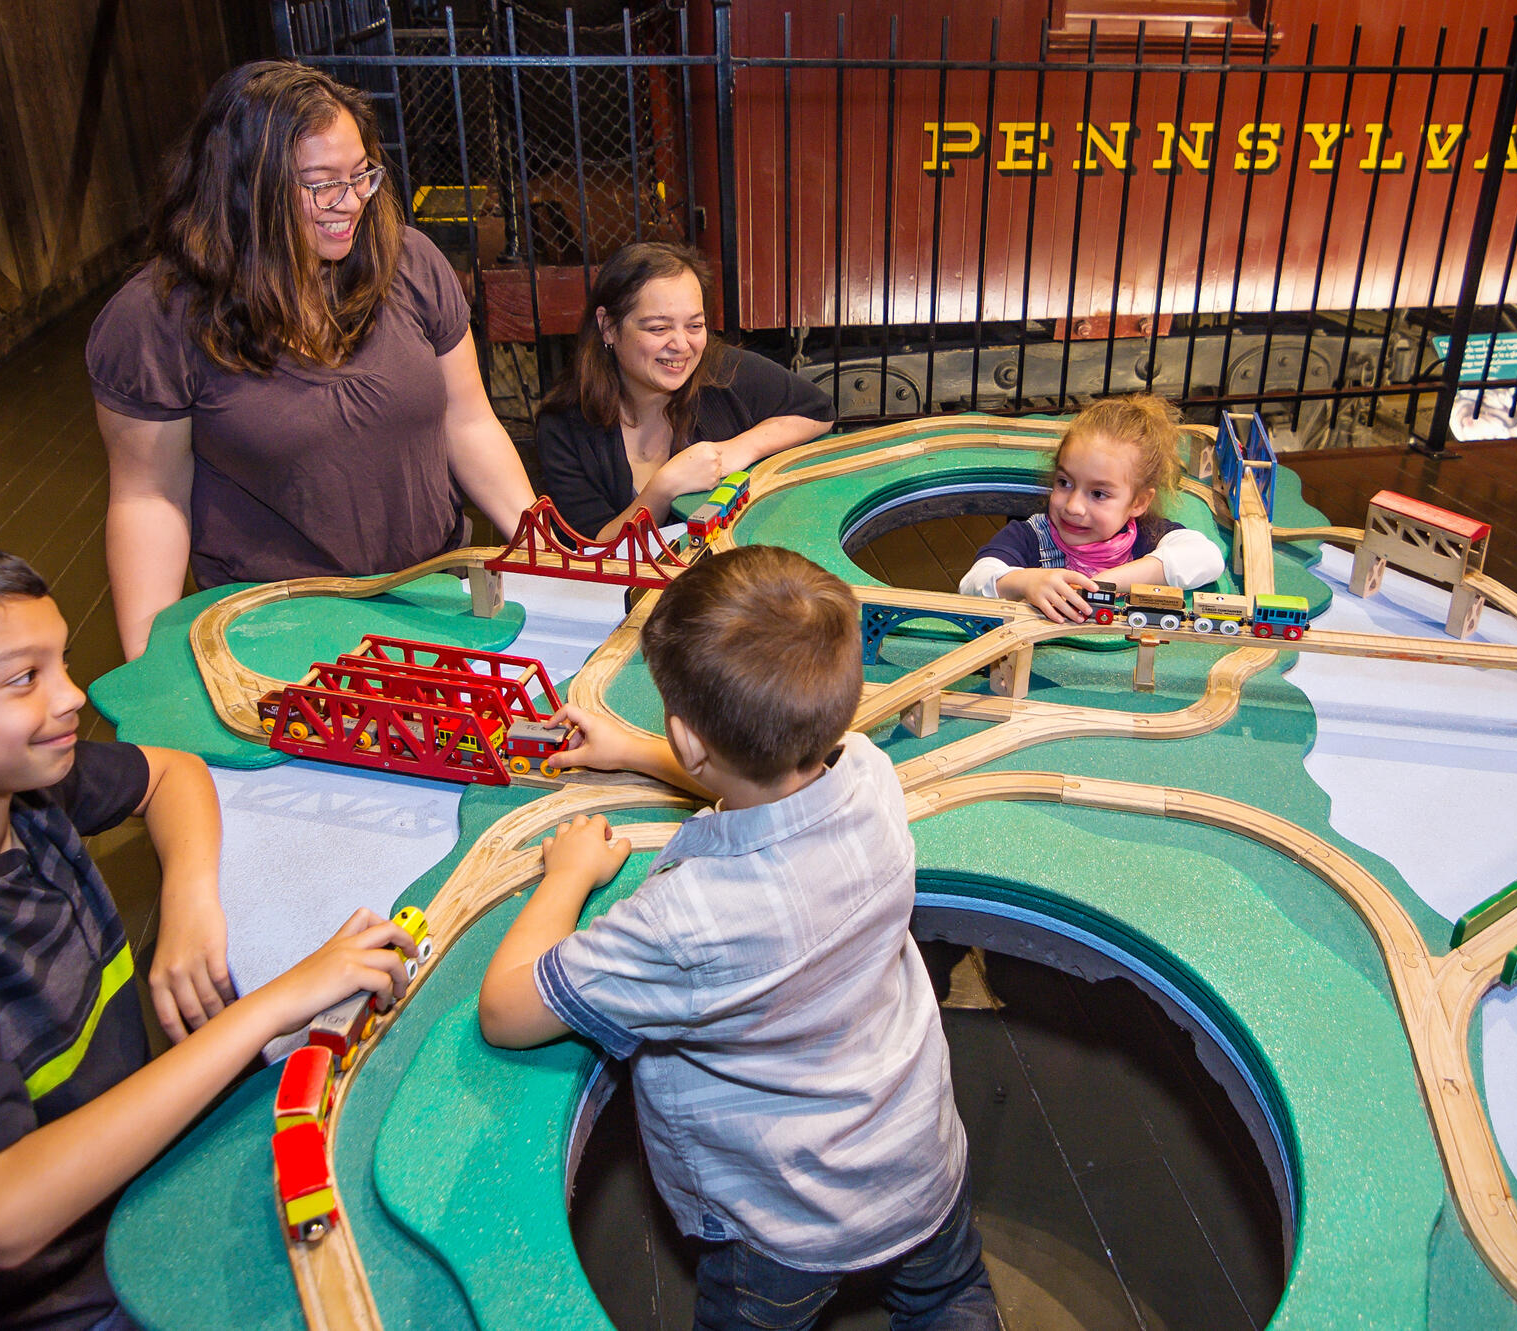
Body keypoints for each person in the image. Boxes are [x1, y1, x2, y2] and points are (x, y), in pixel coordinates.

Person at [0, 538, 421, 1331]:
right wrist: (269, 1005)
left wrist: (189, 901)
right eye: (24, 679)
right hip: (31, 1309)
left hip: (116, 1219)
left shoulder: (22, 793)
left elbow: (171, 774)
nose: (73, 695)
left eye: (60, 664)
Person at [477, 546, 998, 1331]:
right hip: (920, 1165)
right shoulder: (869, 777)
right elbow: (775, 779)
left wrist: (569, 874)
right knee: (949, 1295)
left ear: (691, 740)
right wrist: (636, 752)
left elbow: (506, 1011)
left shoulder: (684, 921)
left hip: (782, 1228)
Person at [87, 60, 534, 661]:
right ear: (244, 188)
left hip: (436, 601)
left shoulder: (411, 262)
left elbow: (469, 420)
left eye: (360, 176)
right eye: (321, 183)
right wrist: (153, 664)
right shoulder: (156, 318)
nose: (348, 203)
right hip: (279, 633)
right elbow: (149, 499)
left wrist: (543, 550)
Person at [535, 243, 835, 543]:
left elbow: (818, 411)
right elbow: (594, 548)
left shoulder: (722, 369)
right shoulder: (562, 427)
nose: (681, 345)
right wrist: (662, 489)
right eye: (658, 328)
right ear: (608, 327)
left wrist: (735, 450)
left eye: (695, 325)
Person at [960, 394, 1225, 623]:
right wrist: (1024, 582)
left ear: (1138, 502)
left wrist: (1100, 585)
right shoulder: (1029, 536)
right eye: (1064, 483)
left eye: (1098, 493)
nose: (1074, 507)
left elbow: (1207, 558)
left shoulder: (1147, 534)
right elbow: (973, 583)